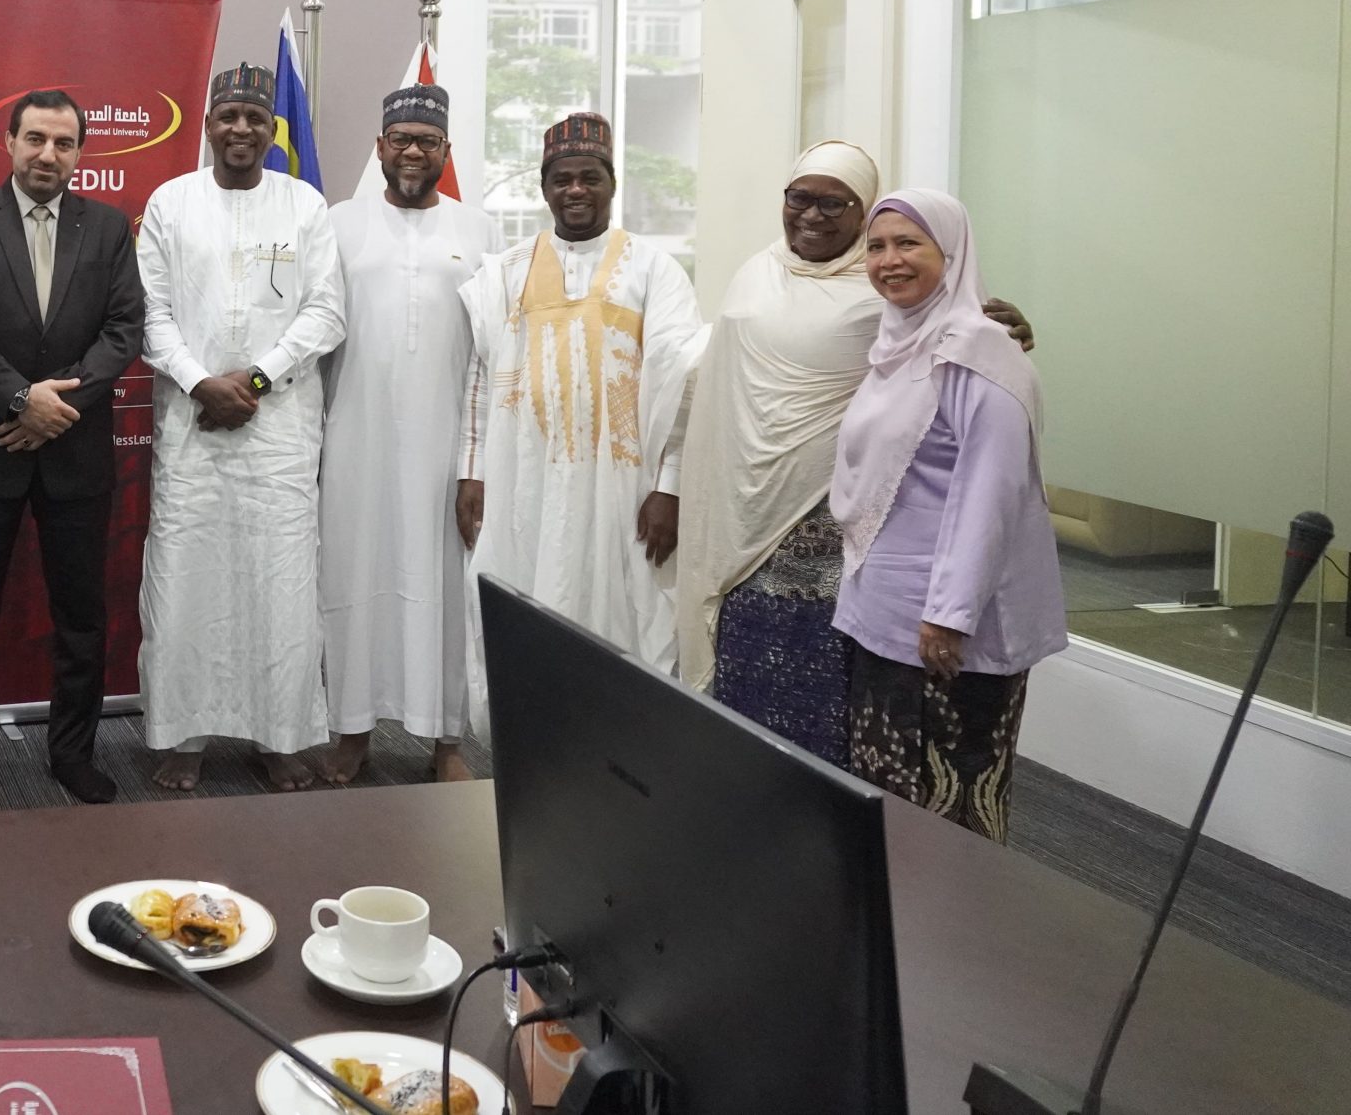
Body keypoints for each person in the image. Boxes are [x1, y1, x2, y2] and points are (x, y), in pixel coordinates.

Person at [674, 144, 1034, 765]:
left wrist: (1005, 327)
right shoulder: (756, 272)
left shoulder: (887, 291)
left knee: (832, 698)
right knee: (748, 676)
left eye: (835, 203)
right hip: (742, 513)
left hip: (833, 519)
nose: (813, 215)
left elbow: (957, 332)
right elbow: (710, 379)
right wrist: (672, 480)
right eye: (800, 198)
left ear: (861, 210)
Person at [0, 89, 147, 810]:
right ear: (10, 142)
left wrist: (56, 409)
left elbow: (125, 328)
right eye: (36, 139)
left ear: (80, 151)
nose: (49, 154)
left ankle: (73, 754)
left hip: (75, 452)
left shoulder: (107, 227)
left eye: (64, 142)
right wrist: (22, 399)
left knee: (82, 617)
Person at [134, 62, 345, 793]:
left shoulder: (304, 204)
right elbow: (150, 311)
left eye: (255, 117)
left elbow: (326, 310)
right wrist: (201, 382)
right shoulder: (171, 202)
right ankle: (182, 735)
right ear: (208, 124)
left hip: (278, 431)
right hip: (192, 427)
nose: (242, 128)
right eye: (229, 115)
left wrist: (254, 380)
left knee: (280, 584)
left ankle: (279, 738)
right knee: (185, 581)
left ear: (272, 129)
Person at [831, 190, 1064, 842]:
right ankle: (895, 908)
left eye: (910, 243)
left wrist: (950, 613)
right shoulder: (898, 343)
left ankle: (954, 912)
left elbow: (992, 490)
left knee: (950, 809)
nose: (890, 260)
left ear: (953, 254)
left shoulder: (980, 353)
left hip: (944, 630)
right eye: (877, 246)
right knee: (888, 794)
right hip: (884, 613)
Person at [456, 112, 699, 675]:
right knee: (521, 605)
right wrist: (472, 472)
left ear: (612, 183)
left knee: (620, 620)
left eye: (590, 177)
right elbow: (480, 378)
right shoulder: (506, 271)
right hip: (524, 479)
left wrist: (670, 488)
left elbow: (682, 387)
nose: (576, 190)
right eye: (562, 179)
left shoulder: (654, 270)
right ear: (543, 188)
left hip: (621, 489)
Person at [315, 85, 489, 786]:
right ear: (380, 147)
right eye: (401, 139)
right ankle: (352, 728)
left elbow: (491, 352)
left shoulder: (478, 230)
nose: (414, 150)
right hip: (354, 434)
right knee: (352, 575)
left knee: (443, 585)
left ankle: (446, 741)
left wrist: (478, 458)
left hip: (445, 444)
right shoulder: (338, 222)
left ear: (446, 151)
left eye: (428, 140)